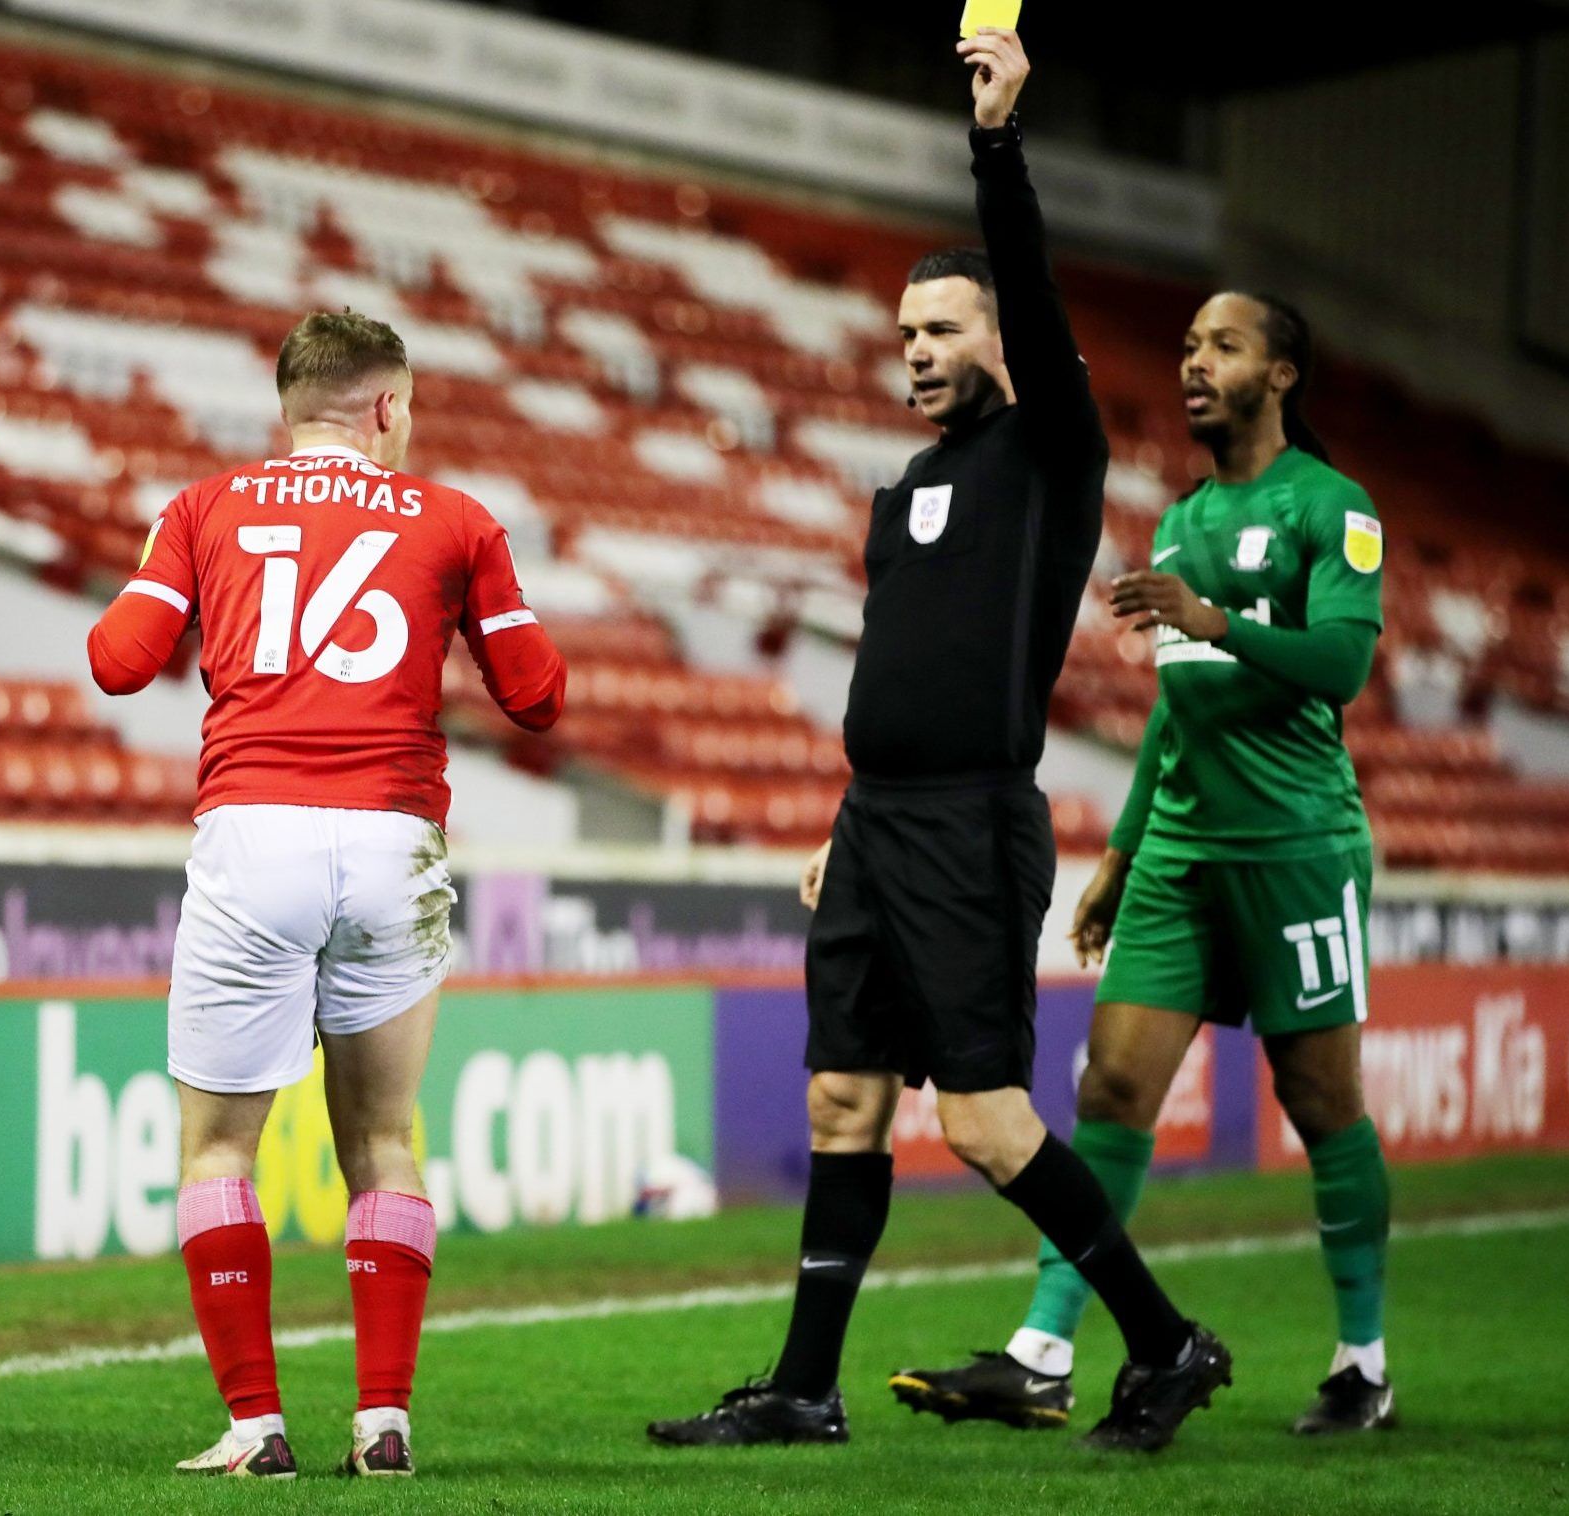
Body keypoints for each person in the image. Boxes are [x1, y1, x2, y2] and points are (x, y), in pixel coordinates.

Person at [647, 30, 1230, 1458]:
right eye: (905, 334)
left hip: (972, 823)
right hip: (876, 821)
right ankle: (804, 1389)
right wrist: (843, 822)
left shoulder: (1050, 453)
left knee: (979, 1123)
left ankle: (1166, 1342)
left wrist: (995, 141)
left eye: (944, 331)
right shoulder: (906, 487)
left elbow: (1029, 282)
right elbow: (898, 673)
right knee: (842, 1096)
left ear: (1003, 344)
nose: (916, 352)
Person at [889, 291, 1395, 1437]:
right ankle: (1044, 1348)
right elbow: (1178, 705)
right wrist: (1120, 853)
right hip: (1177, 851)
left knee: (1322, 1103)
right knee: (1112, 1088)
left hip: (1295, 844)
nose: (1195, 364)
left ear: (1281, 374)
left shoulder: (1332, 506)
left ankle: (1361, 1361)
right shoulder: (1177, 523)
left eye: (1224, 346)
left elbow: (1339, 666)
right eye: (1187, 346)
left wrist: (1215, 620)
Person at [86, 311, 567, 1480]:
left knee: (218, 1149)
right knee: (385, 1140)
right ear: (387, 407)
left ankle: (256, 1427)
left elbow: (116, 661)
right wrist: (485, 592)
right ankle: (382, 1421)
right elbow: (538, 698)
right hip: (395, 838)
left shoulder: (204, 507)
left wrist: (179, 571)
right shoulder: (457, 519)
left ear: (288, 406)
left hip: (255, 832)